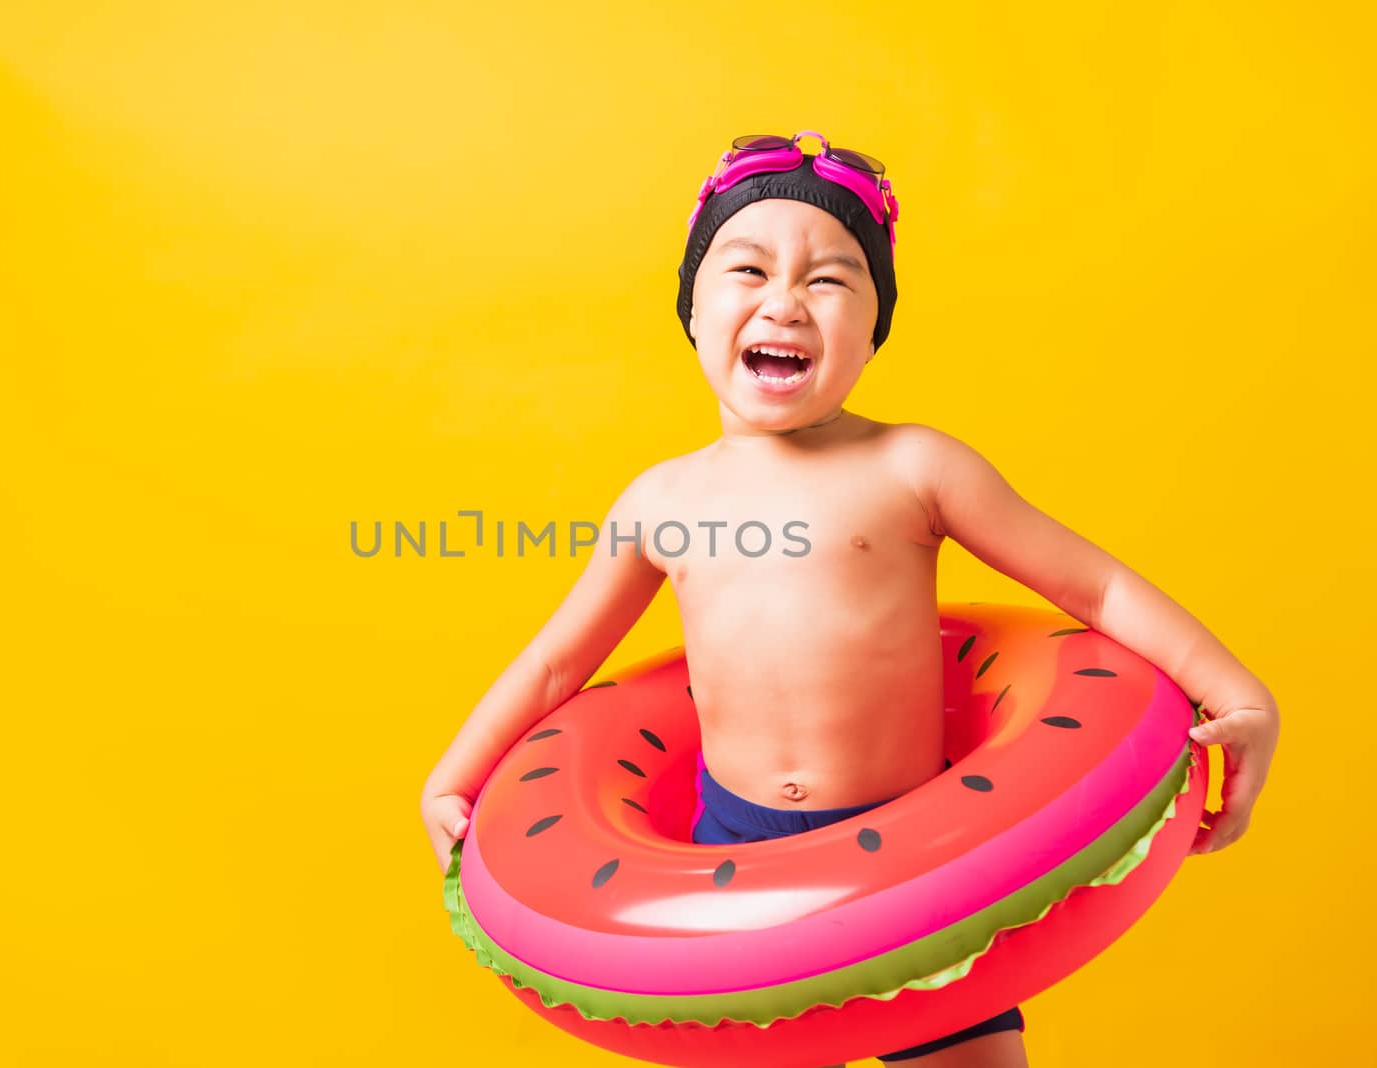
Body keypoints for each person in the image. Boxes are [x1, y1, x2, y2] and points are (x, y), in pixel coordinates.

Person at [418, 130, 1280, 1066]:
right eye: (747, 270)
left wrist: (1236, 693)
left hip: (930, 846)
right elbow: (557, 663)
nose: (785, 301)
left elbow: (1094, 584)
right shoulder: (660, 502)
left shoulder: (914, 467)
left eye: (830, 281)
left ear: (873, 331)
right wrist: (453, 777)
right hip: (726, 857)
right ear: (693, 313)